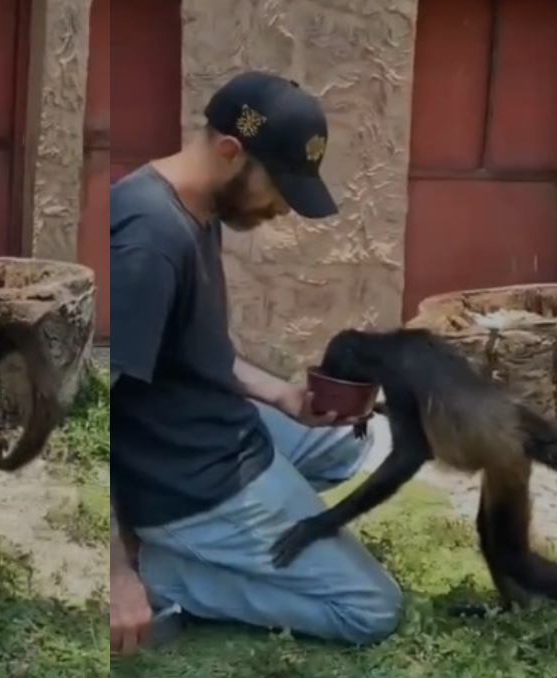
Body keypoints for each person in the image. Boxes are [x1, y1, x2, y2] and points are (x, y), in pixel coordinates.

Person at [109, 71, 404, 656]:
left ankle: (263, 518)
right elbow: (96, 413)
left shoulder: (196, 208)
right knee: (371, 608)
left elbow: (194, 355)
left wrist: (284, 398)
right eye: (281, 188)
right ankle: (168, 572)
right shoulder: (148, 242)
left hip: (217, 423)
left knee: (367, 441)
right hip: (191, 478)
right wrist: (117, 570)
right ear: (229, 152)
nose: (283, 210)